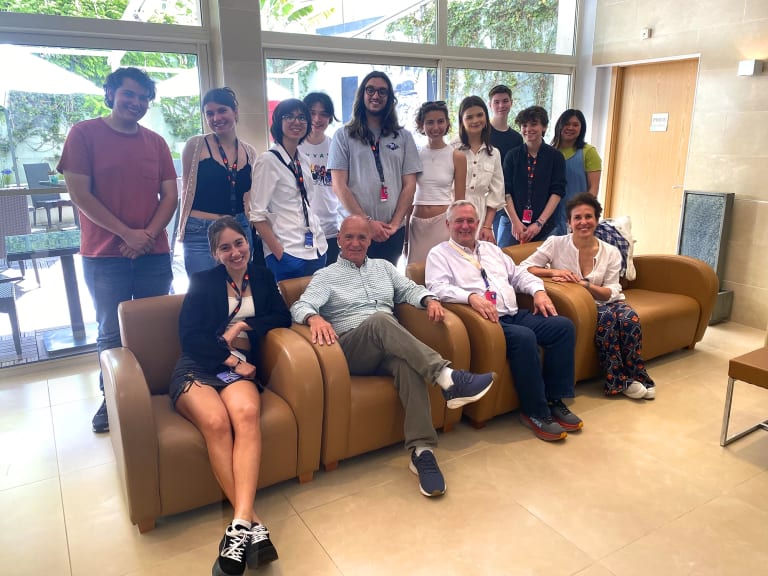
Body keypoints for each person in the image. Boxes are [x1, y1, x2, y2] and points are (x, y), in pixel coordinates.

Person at [290, 215, 495, 497]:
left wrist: (428, 299)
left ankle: (422, 452)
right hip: (351, 350)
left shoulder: (384, 268)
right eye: (349, 237)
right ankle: (447, 377)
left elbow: (409, 289)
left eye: (362, 237)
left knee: (407, 364)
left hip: (388, 348)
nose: (355, 243)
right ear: (338, 240)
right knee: (381, 321)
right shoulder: (326, 276)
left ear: (370, 240)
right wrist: (314, 318)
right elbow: (300, 306)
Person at [58, 67, 177, 433]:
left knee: (154, 325)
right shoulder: (83, 134)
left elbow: (170, 195)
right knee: (111, 330)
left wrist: (147, 235)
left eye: (143, 98)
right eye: (129, 95)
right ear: (110, 94)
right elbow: (80, 195)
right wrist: (127, 234)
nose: (136, 103)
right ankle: (113, 399)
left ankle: (156, 391)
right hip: (104, 255)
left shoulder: (155, 142)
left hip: (153, 254)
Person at [171, 217, 288, 575]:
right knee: (216, 422)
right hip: (201, 365)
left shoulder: (262, 275)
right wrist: (231, 361)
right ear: (214, 253)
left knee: (246, 416)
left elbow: (280, 316)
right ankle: (252, 524)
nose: (235, 252)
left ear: (247, 243)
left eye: (239, 243)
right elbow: (189, 335)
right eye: (225, 247)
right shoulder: (204, 282)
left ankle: (237, 526)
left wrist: (242, 326)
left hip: (240, 366)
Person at [426, 200, 582, 441]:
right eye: (459, 221)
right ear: (448, 224)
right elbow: (437, 287)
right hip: (486, 322)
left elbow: (518, 274)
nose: (465, 226)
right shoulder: (439, 254)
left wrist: (538, 291)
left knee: (562, 327)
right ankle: (535, 412)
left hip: (514, 314)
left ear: (478, 224)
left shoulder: (491, 249)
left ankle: (554, 400)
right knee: (524, 338)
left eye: (470, 221)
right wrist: (471, 297)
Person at [521, 193, 655, 399]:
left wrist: (584, 284)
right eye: (577, 218)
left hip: (607, 300)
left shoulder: (610, 252)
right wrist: (553, 272)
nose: (583, 222)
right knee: (607, 320)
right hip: (579, 306)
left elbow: (611, 291)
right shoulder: (555, 243)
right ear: (569, 222)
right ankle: (618, 381)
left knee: (630, 319)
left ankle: (638, 374)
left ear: (597, 220)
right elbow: (525, 267)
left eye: (588, 217)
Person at [328, 71, 421, 265]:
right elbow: (339, 186)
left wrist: (395, 224)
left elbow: (409, 185)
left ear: (389, 99)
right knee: (353, 287)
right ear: (362, 95)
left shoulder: (403, 137)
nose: (376, 96)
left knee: (386, 288)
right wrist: (367, 222)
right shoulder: (343, 136)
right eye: (370, 90)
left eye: (382, 91)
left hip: (391, 231)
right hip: (355, 232)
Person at [178, 87, 260, 275]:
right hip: (201, 231)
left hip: (238, 227)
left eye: (222, 110)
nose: (216, 118)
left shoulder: (249, 152)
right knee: (204, 290)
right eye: (210, 113)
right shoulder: (195, 145)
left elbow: (252, 197)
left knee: (239, 285)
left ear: (235, 112)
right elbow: (186, 190)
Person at [249, 98, 328, 281]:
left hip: (315, 249)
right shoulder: (268, 160)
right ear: (278, 122)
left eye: (302, 117)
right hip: (287, 252)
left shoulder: (304, 160)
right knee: (286, 308)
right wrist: (279, 252)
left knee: (312, 307)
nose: (296, 122)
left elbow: (306, 202)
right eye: (289, 116)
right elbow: (257, 215)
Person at [406, 100, 467, 265]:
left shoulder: (457, 156)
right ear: (421, 125)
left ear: (447, 123)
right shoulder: (414, 155)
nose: (435, 127)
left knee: (442, 273)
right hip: (416, 224)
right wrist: (405, 238)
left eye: (440, 121)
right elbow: (408, 196)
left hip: (443, 225)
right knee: (414, 276)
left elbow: (460, 202)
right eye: (430, 122)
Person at [499, 105, 565, 247]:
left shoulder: (556, 157)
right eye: (524, 125)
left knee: (539, 266)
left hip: (544, 225)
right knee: (502, 263)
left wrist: (539, 223)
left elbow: (557, 191)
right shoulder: (512, 156)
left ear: (544, 127)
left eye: (534, 124)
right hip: (511, 222)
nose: (528, 129)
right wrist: (515, 222)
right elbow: (505, 190)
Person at [453, 95, 504, 244]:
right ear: (462, 120)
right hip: (452, 211)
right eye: (469, 117)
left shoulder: (494, 153)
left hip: (479, 215)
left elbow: (497, 193)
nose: (475, 120)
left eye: (480, 115)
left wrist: (487, 226)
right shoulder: (452, 149)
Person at [299, 92, 342, 264]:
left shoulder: (336, 147)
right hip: (300, 230)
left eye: (323, 114)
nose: (317, 119)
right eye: (312, 112)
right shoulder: (293, 146)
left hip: (331, 229)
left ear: (330, 118)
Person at [550, 109, 603, 236]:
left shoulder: (588, 152)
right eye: (567, 124)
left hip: (577, 215)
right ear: (559, 126)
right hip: (552, 215)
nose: (570, 128)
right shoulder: (550, 152)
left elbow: (593, 189)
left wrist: (582, 216)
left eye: (575, 125)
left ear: (581, 128)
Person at [488, 85, 523, 239]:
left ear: (511, 103)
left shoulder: (517, 138)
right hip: (485, 199)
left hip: (506, 201)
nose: (501, 105)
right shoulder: (483, 132)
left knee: (501, 248)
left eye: (505, 101)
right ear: (490, 105)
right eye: (496, 102)